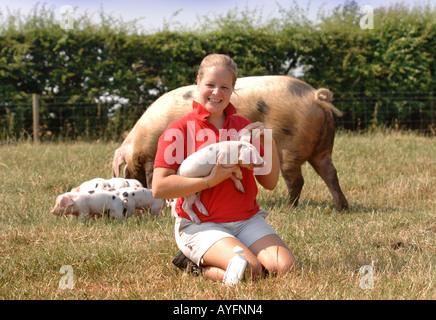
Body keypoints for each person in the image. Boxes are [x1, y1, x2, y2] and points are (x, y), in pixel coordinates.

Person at [152, 54, 296, 281]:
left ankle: (229, 255)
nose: (216, 92)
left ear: (233, 89)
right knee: (249, 271)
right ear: (198, 82)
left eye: (224, 87)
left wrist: (269, 143)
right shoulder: (178, 130)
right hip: (201, 225)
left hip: (247, 220)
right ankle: (194, 265)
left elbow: (269, 184)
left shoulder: (244, 127)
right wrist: (210, 180)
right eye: (210, 85)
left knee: (285, 268)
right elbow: (159, 188)